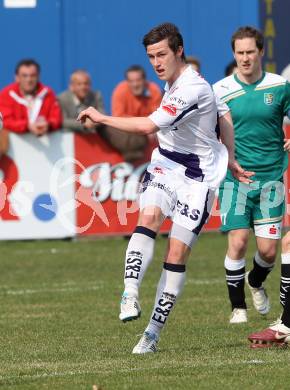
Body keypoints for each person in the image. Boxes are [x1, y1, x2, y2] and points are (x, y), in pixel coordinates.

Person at [77, 22, 251, 354]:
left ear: (178, 51)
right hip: (165, 165)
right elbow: (223, 114)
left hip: (198, 180)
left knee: (176, 253)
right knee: (149, 217)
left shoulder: (192, 88)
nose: (156, 63)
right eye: (151, 56)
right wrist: (229, 155)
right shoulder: (173, 82)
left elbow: (147, 126)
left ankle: (152, 333)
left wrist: (102, 118)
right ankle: (129, 292)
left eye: (161, 55)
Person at [213, 26, 290, 324]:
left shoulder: (279, 86)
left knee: (269, 252)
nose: (244, 58)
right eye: (239, 52)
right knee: (238, 240)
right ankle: (238, 308)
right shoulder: (219, 90)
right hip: (236, 178)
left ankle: (255, 281)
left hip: (271, 178)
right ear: (233, 54)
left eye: (250, 52)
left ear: (261, 52)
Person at [110, 65, 162, 162]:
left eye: (138, 80)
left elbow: (158, 116)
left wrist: (148, 126)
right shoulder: (120, 90)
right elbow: (118, 118)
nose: (135, 84)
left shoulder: (153, 89)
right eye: (131, 81)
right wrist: (142, 125)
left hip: (150, 132)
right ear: (127, 82)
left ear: (144, 81)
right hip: (128, 132)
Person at [0, 59, 62, 136]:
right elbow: (5, 121)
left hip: (45, 144)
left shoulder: (48, 93)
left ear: (38, 76)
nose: (29, 80)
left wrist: (48, 125)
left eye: (33, 75)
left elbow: (56, 119)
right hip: (13, 145)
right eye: (24, 76)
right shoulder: (6, 94)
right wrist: (27, 126)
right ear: (17, 77)